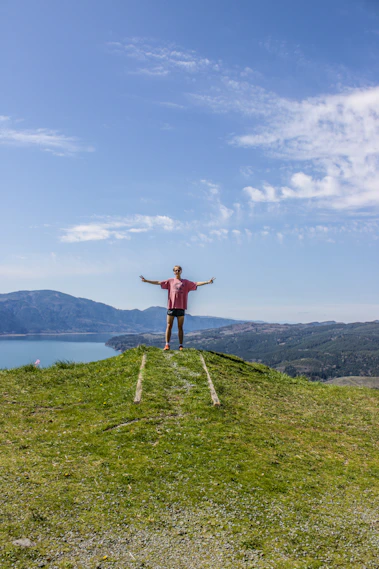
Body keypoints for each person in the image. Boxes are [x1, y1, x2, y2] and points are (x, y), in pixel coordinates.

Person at [139, 266, 215, 351]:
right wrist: (146, 281)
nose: (177, 271)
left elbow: (196, 283)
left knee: (180, 327)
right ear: (174, 272)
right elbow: (158, 282)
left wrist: (208, 282)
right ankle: (167, 345)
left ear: (181, 271)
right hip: (171, 307)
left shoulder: (186, 282)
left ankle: (181, 345)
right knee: (169, 325)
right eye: (176, 270)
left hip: (181, 307)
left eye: (179, 270)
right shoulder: (170, 281)